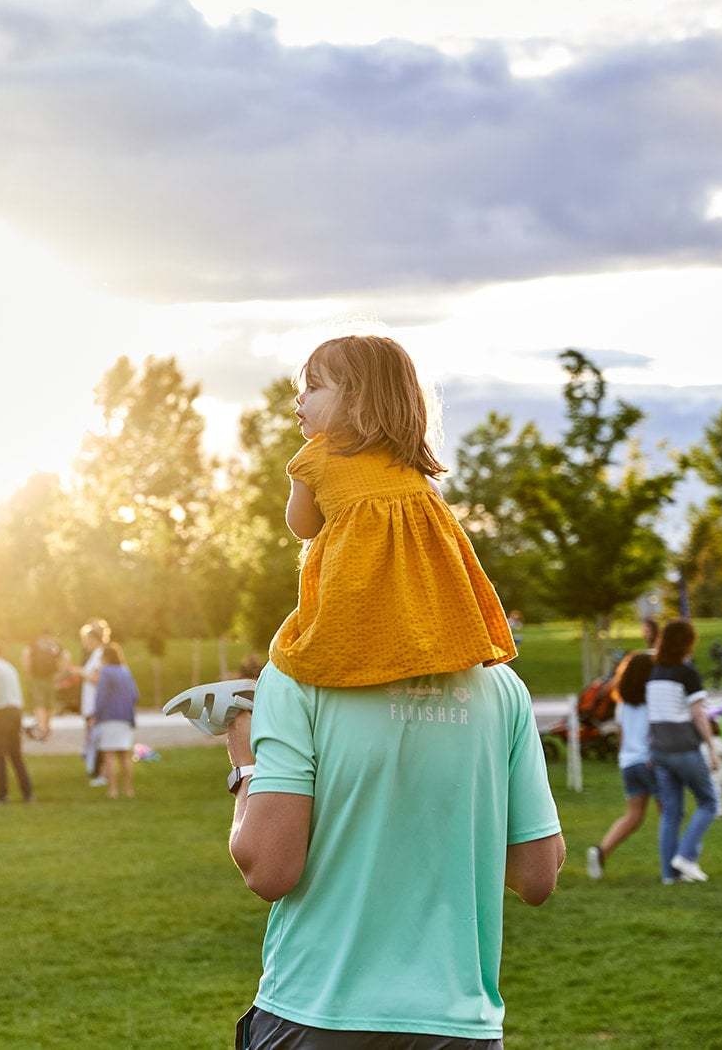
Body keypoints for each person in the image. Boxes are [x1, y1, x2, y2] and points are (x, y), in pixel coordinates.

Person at [227, 659, 562, 1047]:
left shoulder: (297, 672)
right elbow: (536, 875)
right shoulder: (502, 685)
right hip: (456, 1024)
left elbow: (267, 870)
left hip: (316, 1015)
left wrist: (245, 770)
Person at [272, 335, 516, 688]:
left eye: (314, 387)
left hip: (359, 612)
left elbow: (302, 527)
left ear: (356, 399)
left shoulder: (315, 458)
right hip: (429, 613)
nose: (301, 397)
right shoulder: (411, 464)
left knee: (292, 657)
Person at [646, 619, 720, 884]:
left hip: (659, 750)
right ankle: (686, 857)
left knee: (671, 813)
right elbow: (698, 715)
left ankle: (669, 875)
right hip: (684, 749)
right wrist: (712, 748)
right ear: (687, 642)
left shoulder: (655, 674)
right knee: (709, 803)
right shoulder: (687, 673)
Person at [586, 652, 655, 880]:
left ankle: (601, 851)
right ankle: (675, 861)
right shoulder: (652, 701)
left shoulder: (622, 705)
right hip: (649, 762)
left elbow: (622, 737)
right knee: (669, 814)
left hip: (628, 763)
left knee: (633, 815)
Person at [0, 638, 32, 805]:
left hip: (1, 714)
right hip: (16, 712)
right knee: (16, 755)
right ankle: (27, 793)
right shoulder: (9, 667)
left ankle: (2, 795)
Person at [93, 644, 140, 799]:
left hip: (109, 717)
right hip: (126, 717)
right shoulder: (125, 671)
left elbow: (101, 696)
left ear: (105, 657)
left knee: (109, 755)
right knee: (125, 755)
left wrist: (96, 714)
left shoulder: (105, 672)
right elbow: (135, 695)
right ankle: (129, 790)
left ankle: (113, 790)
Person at [78, 620, 111, 787]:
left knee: (99, 740)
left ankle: (101, 774)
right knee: (92, 739)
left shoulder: (100, 655)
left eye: (86, 640)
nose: (85, 643)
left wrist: (79, 672)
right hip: (90, 705)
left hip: (95, 706)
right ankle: (95, 771)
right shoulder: (94, 655)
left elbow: (97, 679)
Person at [23, 629, 64, 741]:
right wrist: (60, 673)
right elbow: (64, 657)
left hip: (37, 677)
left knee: (39, 703)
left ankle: (42, 728)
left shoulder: (34, 645)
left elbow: (26, 657)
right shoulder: (54, 644)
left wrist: (28, 673)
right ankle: (47, 727)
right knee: (49, 703)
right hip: (51, 677)